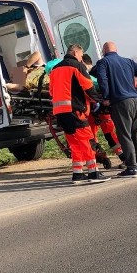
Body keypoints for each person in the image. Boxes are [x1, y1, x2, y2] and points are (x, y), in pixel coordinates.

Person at [49, 44, 109, 184]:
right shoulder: (77, 66)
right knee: (88, 140)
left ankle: (78, 174)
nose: (82, 58)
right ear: (75, 52)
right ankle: (93, 172)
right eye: (81, 54)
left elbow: (52, 91)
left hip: (60, 112)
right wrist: (101, 100)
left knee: (74, 143)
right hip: (75, 110)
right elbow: (88, 87)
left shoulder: (55, 69)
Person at [93, 41, 137, 178]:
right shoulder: (128, 62)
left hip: (120, 102)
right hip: (135, 101)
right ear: (116, 50)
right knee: (136, 134)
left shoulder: (103, 63)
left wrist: (106, 97)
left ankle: (131, 168)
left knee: (124, 135)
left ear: (104, 51)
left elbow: (102, 78)